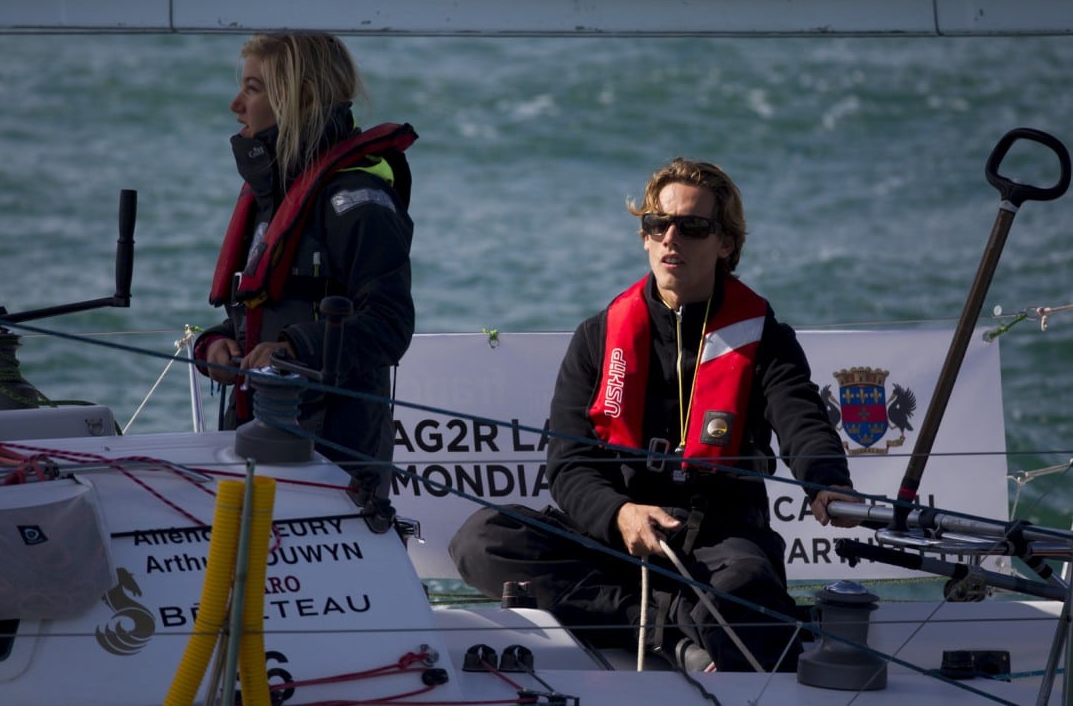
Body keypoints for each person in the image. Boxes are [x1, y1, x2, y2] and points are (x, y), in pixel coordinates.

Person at [450, 158, 861, 673]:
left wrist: (827, 482)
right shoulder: (597, 338)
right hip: (615, 538)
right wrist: (620, 515)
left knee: (748, 597)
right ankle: (672, 627)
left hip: (719, 542)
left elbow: (802, 418)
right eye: (657, 224)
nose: (671, 238)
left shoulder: (766, 339)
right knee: (483, 539)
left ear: (726, 244)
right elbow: (569, 466)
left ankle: (657, 620)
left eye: (692, 227)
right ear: (644, 237)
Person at [194, 33, 417, 499]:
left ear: (304, 96)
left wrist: (292, 351)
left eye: (253, 89)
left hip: (332, 460)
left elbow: (389, 325)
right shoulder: (272, 197)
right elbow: (270, 311)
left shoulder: (357, 201)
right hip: (255, 440)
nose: (236, 104)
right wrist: (217, 344)